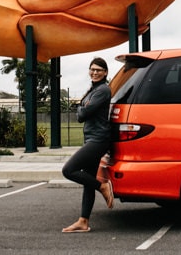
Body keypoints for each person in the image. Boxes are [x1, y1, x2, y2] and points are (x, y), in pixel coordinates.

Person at [61, 57, 114, 233]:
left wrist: (82, 108)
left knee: (69, 170)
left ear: (105, 72)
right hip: (91, 137)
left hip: (98, 139)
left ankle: (102, 186)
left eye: (99, 70)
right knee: (87, 181)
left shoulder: (103, 90)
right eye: (92, 69)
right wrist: (82, 108)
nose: (95, 72)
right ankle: (83, 221)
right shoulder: (93, 90)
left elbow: (82, 114)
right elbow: (80, 110)